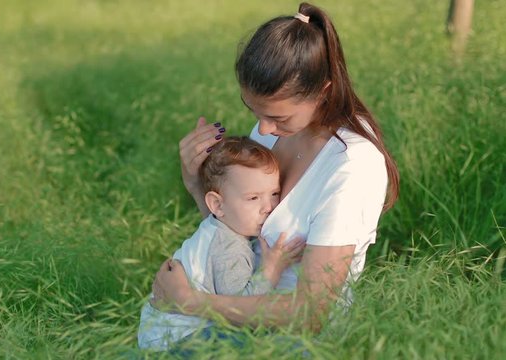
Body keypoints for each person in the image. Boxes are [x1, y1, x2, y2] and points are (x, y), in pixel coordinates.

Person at [151, 2, 400, 338]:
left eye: (278, 118)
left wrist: (191, 301)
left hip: (292, 343)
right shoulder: (275, 135)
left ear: (323, 91)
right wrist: (197, 186)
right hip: (236, 320)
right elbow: (234, 236)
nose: (263, 130)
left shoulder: (351, 166)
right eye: (255, 113)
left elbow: (311, 313)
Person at [138, 137, 306, 351]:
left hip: (160, 333)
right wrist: (272, 269)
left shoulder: (218, 228)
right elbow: (241, 311)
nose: (269, 207)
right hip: (180, 340)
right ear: (217, 204)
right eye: (253, 198)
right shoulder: (229, 248)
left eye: (274, 193)